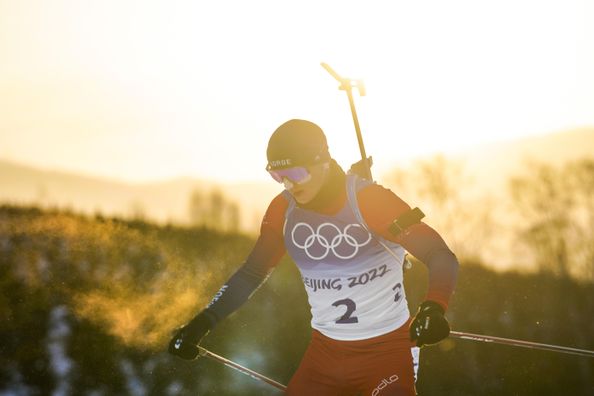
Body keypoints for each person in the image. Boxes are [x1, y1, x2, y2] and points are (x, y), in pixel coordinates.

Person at [168, 119, 459, 395]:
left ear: (322, 159)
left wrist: (434, 307)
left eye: (296, 173)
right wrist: (202, 323)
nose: (289, 185)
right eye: (278, 176)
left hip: (387, 351)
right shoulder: (283, 211)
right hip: (326, 356)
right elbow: (251, 274)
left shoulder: (370, 201)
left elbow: (439, 255)